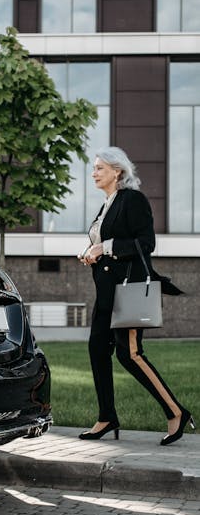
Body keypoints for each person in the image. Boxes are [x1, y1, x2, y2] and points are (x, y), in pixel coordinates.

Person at [77, 146, 194, 446]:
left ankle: (176, 411)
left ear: (117, 171)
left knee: (129, 354)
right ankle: (107, 417)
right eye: (94, 168)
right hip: (105, 291)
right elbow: (104, 244)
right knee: (96, 349)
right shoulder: (106, 205)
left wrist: (105, 247)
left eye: (99, 168)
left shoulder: (133, 199)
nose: (94, 173)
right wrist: (90, 253)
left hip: (127, 289)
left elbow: (146, 242)